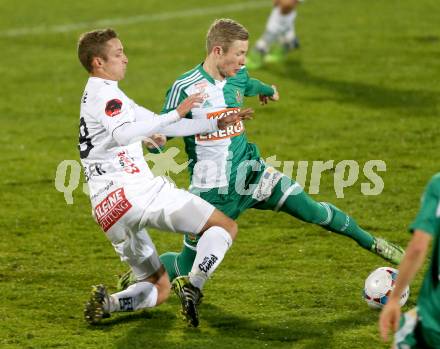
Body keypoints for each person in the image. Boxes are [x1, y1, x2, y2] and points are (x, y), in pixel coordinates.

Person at [118, 18, 404, 306]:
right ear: (218, 51)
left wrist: (268, 89)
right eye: (238, 54)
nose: (243, 60)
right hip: (211, 193)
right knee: (182, 265)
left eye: (245, 53)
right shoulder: (185, 87)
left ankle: (374, 243)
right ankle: (138, 277)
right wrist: (154, 141)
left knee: (312, 210)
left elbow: (250, 83)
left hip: (252, 173)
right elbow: (166, 127)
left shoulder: (237, 76)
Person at [77, 28, 253, 327]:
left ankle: (109, 303)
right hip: (135, 191)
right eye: (118, 54)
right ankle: (195, 285)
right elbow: (124, 132)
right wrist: (173, 116)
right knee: (224, 226)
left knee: (158, 287)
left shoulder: (106, 96)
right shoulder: (105, 96)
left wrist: (213, 122)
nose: (126, 59)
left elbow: (158, 126)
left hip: (108, 209)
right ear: (98, 62)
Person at [379, 174, 440, 348]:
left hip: (434, 317)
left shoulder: (438, 185)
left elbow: (418, 247)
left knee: (405, 333)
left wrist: (394, 298)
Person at [247, 0, 301, 70]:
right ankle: (287, 43)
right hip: (283, 14)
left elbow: (287, 5)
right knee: (285, 23)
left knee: (270, 34)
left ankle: (255, 59)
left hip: (281, 16)